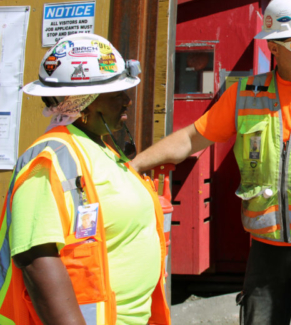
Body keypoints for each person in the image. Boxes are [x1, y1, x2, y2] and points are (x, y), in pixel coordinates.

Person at [130, 0, 291, 325]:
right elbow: (190, 139)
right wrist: (134, 166)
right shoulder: (245, 94)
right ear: (274, 47)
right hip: (266, 252)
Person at [0, 34, 171, 325]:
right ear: (85, 104)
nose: (127, 100)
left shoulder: (99, 148)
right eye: (116, 93)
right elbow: (36, 259)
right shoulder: (49, 159)